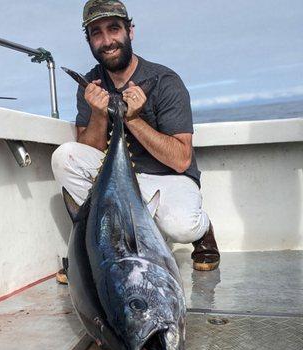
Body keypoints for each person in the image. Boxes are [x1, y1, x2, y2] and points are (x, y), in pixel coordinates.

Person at [52, 0, 220, 284]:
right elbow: (85, 150)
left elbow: (181, 159)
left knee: (181, 227)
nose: (107, 41)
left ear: (130, 31)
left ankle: (203, 232)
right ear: (89, 40)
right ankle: (94, 251)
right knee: (65, 156)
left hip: (167, 177)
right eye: (97, 33)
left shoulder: (165, 81)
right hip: (118, 177)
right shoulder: (91, 84)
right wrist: (97, 112)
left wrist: (132, 119)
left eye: (114, 29)